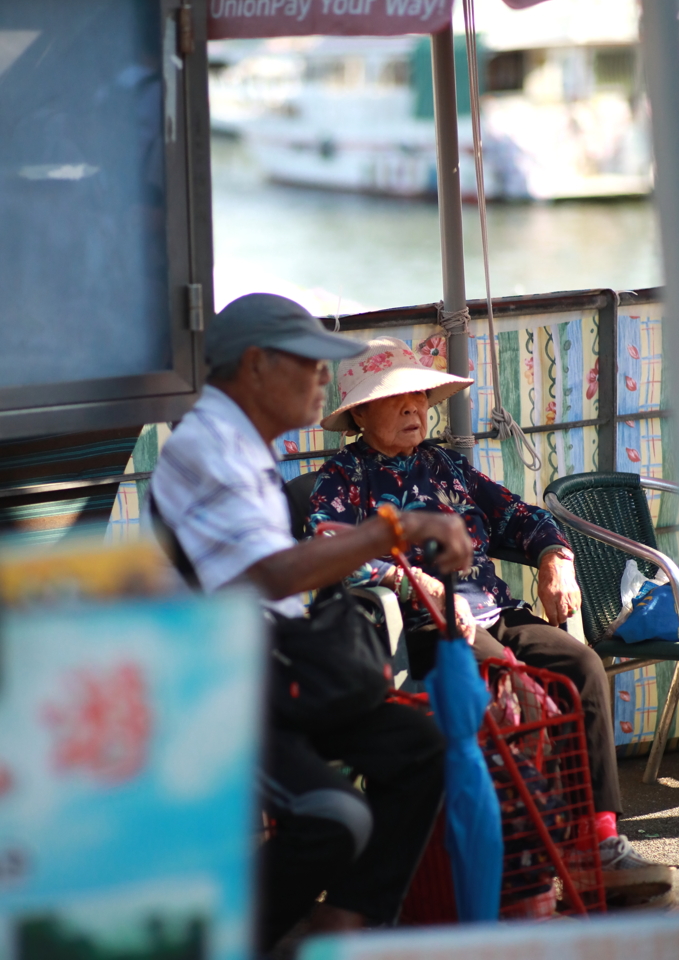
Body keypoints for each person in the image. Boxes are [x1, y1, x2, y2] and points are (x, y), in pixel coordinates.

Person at [149, 297, 473, 951]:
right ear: (256, 366)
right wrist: (397, 529)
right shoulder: (206, 446)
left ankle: (336, 926)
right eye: (312, 364)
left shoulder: (244, 446)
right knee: (333, 815)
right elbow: (269, 574)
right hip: (214, 676)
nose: (326, 379)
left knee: (418, 750)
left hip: (273, 661)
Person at [309, 334, 668, 892]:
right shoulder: (342, 480)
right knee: (516, 681)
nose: (414, 407)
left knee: (581, 667)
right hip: (419, 629)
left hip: (494, 611)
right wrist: (410, 580)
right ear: (360, 410)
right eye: (395, 397)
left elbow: (521, 517)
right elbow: (328, 555)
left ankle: (595, 842)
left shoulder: (447, 468)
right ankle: (527, 849)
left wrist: (556, 558)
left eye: (420, 396)